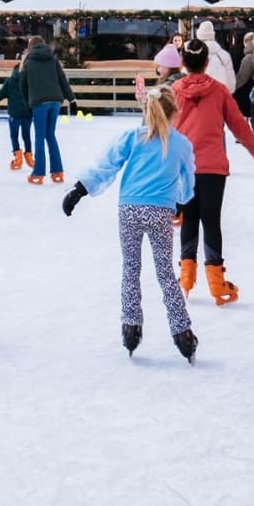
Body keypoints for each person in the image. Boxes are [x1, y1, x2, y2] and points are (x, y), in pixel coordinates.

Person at [61, 86, 200, 362]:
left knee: (131, 269)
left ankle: (130, 328)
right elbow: (188, 182)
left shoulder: (131, 138)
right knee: (164, 273)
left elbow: (106, 165)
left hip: (130, 209)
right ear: (175, 112)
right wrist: (182, 200)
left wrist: (79, 189)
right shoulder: (181, 144)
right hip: (160, 212)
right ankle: (183, 333)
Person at [171, 40, 254, 305]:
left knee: (189, 219)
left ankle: (186, 277)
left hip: (183, 167)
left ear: (183, 63)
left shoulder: (173, 91)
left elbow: (161, 128)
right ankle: (216, 282)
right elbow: (239, 126)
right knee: (211, 221)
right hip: (213, 168)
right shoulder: (220, 91)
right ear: (206, 62)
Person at [22, 35, 76, 186]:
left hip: (39, 102)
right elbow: (62, 80)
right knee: (50, 135)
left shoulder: (28, 61)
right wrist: (71, 99)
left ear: (31, 46)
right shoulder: (53, 60)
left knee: (39, 136)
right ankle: (57, 171)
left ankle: (38, 173)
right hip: (55, 101)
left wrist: (27, 103)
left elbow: (22, 84)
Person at [0, 55, 33, 172]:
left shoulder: (10, 82)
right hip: (27, 113)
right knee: (26, 135)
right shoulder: (30, 81)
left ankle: (18, 157)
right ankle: (29, 156)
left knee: (14, 135)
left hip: (14, 114)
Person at [192, 21, 236, 94]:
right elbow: (231, 86)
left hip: (199, 98)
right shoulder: (224, 55)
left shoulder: (192, 54)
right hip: (220, 98)